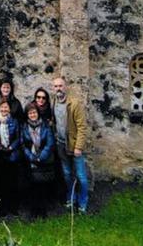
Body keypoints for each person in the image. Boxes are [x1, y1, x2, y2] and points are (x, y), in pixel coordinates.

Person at [52, 77, 88, 213]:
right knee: (67, 174)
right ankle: (71, 199)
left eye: (60, 86)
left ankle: (83, 203)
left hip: (74, 146)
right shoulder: (54, 101)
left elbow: (82, 127)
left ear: (65, 87)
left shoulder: (74, 104)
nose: (58, 88)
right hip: (61, 145)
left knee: (81, 176)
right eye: (56, 86)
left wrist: (79, 146)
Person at [21, 103, 55, 218]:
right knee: (32, 186)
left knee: (43, 186)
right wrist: (31, 157)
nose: (32, 115)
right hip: (31, 161)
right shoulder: (24, 127)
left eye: (34, 112)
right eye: (30, 113)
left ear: (38, 113)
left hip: (43, 160)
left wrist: (41, 157)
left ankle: (43, 210)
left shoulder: (45, 125)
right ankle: (34, 211)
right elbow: (23, 144)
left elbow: (50, 143)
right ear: (27, 115)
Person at [0, 100, 22, 216]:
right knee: (0, 183)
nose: (4, 110)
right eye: (2, 108)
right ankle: (2, 207)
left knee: (12, 182)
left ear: (9, 109)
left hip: (12, 154)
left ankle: (13, 207)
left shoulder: (14, 121)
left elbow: (18, 138)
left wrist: (11, 147)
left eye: (6, 108)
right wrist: (0, 147)